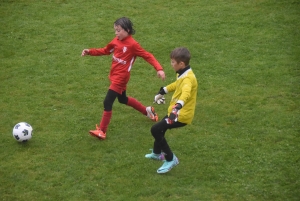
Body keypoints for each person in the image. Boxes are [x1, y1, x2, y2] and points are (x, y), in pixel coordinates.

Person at [81, 17, 165, 140]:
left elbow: (147, 56)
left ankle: (102, 131)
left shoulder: (133, 45)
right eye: (115, 30)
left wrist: (159, 69)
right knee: (122, 99)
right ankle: (148, 111)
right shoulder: (116, 41)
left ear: (127, 30)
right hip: (114, 75)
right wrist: (90, 52)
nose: (116, 33)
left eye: (118, 30)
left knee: (107, 102)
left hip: (121, 78)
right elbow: (106, 50)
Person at [145, 47, 198, 174]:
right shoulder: (184, 73)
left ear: (181, 64)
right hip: (175, 113)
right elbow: (176, 85)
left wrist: (178, 106)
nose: (171, 64)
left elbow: (185, 93)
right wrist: (163, 91)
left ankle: (170, 159)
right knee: (160, 129)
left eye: (173, 62)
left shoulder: (187, 79)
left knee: (156, 129)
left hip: (181, 116)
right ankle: (157, 153)